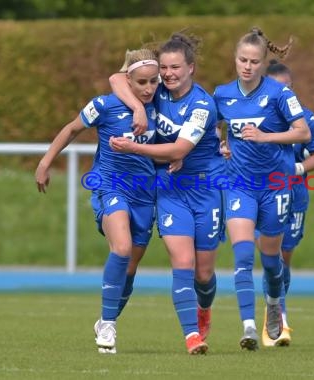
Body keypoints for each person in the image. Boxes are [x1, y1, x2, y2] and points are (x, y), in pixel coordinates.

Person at [35, 48, 160, 354]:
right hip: (110, 186)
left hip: (145, 194)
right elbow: (71, 129)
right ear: (128, 80)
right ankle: (108, 325)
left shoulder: (162, 106)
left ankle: (108, 317)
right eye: (141, 82)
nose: (148, 88)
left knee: (130, 270)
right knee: (122, 247)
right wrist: (44, 163)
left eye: (153, 81)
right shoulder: (104, 105)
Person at [108, 32, 226, 355]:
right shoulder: (155, 91)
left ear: (191, 69)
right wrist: (138, 108)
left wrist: (135, 147)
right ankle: (192, 337)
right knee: (183, 262)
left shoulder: (202, 105)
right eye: (164, 68)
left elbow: (181, 147)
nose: (168, 74)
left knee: (204, 274)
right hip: (171, 190)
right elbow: (117, 78)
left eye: (175, 67)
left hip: (205, 190)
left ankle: (204, 309)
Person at [213, 27, 311, 350]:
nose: (248, 66)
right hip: (240, 184)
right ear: (235, 59)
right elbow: (215, 128)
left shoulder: (280, 95)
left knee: (271, 261)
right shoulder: (222, 94)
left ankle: (272, 303)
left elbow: (302, 134)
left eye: (255, 61)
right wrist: (221, 145)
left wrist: (265, 136)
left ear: (263, 63)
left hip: (275, 186)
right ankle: (248, 327)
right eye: (243, 59)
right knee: (242, 254)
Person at [260, 60, 314, 347]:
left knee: (285, 258)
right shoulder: (253, 119)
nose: (283, 95)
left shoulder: (307, 120)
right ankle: (278, 317)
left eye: (287, 89)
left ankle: (275, 307)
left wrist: (297, 169)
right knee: (269, 257)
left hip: (294, 195)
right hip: (262, 195)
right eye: (277, 89)